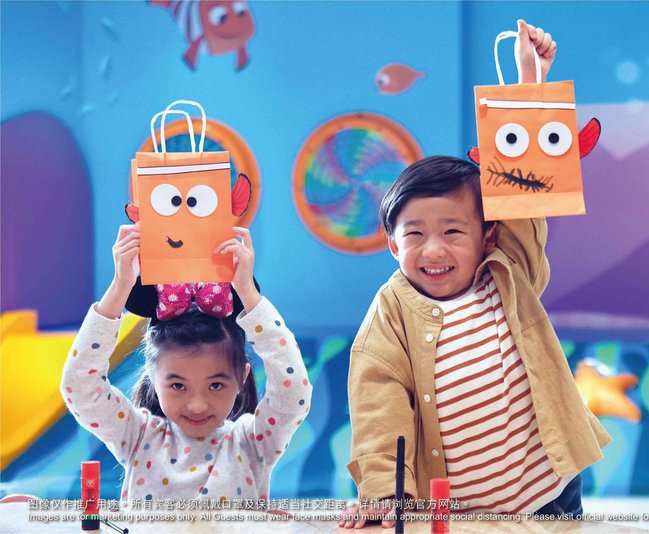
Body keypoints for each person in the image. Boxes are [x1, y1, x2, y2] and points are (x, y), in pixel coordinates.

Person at [341, 19, 610, 529]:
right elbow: (378, 408)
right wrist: (383, 494)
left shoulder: (507, 274)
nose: (433, 249)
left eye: (453, 231)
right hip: (464, 513)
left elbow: (525, 198)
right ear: (392, 244)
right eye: (415, 234)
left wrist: (528, 82)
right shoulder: (391, 314)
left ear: (487, 237)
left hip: (550, 491)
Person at [61, 224, 311, 502]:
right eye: (178, 386)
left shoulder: (254, 442)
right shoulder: (137, 436)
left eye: (216, 385)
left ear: (242, 377)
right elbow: (79, 387)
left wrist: (248, 293)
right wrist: (120, 287)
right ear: (152, 377)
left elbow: (293, 391)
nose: (197, 405)